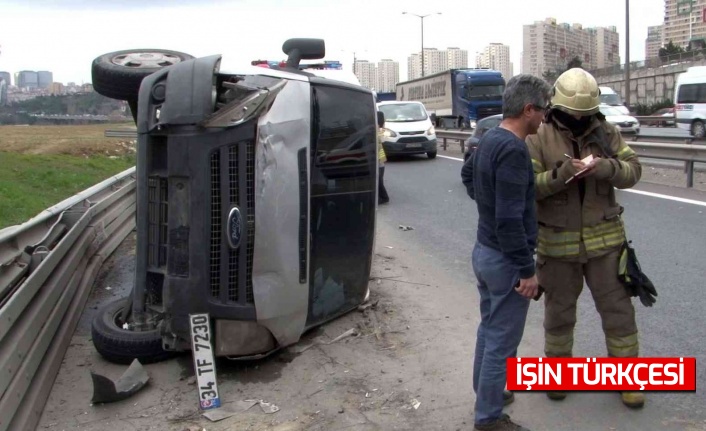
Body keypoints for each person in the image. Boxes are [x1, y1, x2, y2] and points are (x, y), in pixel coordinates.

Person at [525, 68, 644, 408]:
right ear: (557, 107)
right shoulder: (539, 136)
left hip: (606, 244)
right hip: (557, 245)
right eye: (573, 114)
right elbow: (530, 186)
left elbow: (633, 170)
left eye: (585, 114)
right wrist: (562, 174)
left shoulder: (606, 131)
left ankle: (629, 380)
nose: (579, 119)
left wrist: (607, 168)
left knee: (619, 312)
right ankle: (557, 377)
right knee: (559, 314)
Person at [461, 74, 551, 431]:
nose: (544, 118)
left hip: (484, 252)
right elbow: (510, 220)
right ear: (528, 109)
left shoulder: (488, 138)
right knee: (500, 341)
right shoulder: (514, 150)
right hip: (504, 259)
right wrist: (527, 272)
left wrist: (487, 203)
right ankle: (489, 418)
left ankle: (485, 396)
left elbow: (468, 177)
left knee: (489, 330)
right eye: (543, 110)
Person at [377, 112, 390, 205]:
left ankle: (384, 197)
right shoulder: (379, 130)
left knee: (379, 181)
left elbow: (383, 139)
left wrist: (379, 129)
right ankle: (382, 197)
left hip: (380, 160)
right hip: (380, 159)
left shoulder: (380, 131)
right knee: (378, 180)